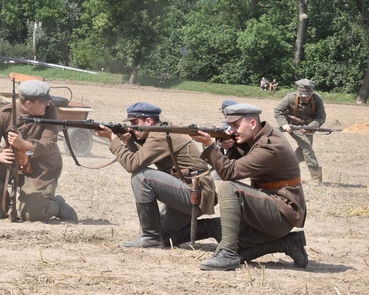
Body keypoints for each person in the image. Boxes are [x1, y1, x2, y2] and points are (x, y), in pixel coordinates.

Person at [193, 103, 307, 271]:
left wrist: (211, 146)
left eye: (235, 125)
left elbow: (230, 172)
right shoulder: (259, 137)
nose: (231, 130)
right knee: (230, 238)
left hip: (281, 213)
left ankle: (228, 253)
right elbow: (243, 159)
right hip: (271, 209)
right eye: (229, 125)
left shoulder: (270, 146)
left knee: (228, 187)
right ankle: (288, 243)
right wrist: (231, 148)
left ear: (252, 124)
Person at [94, 102, 220, 248]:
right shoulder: (160, 131)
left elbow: (132, 164)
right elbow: (141, 156)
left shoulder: (160, 135)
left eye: (135, 123)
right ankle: (212, 227)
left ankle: (150, 237)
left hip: (196, 192)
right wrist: (128, 141)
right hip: (192, 190)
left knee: (141, 177)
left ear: (148, 121)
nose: (132, 128)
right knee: (165, 238)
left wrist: (112, 139)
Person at [0, 80, 77, 222]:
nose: (47, 104)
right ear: (29, 103)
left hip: (41, 171)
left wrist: (23, 144)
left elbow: (49, 144)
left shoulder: (49, 112)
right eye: (43, 102)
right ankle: (6, 209)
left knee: (33, 216)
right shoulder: (6, 114)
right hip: (14, 165)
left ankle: (58, 205)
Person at [274, 78, 326, 185]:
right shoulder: (290, 98)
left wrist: (310, 126)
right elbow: (278, 110)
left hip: (309, 127)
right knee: (307, 149)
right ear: (298, 92)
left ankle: (285, 169)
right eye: (303, 96)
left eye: (308, 95)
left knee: (303, 152)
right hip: (294, 127)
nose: (306, 98)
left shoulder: (317, 99)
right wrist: (283, 124)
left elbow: (321, 116)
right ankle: (316, 178)